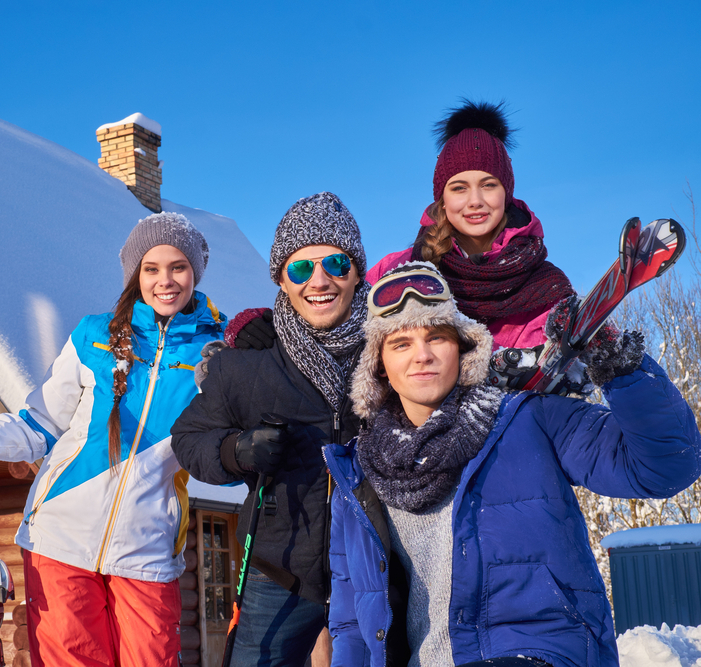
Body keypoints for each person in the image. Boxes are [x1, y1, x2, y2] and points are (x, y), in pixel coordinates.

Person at [324, 262, 701, 667]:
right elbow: (350, 625)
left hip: (540, 653)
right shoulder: (360, 475)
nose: (423, 355)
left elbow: (664, 465)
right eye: (401, 344)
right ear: (379, 365)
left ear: (464, 347)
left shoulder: (530, 419)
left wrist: (619, 366)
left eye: (437, 337)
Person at [0, 212, 224, 667]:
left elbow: (224, 443)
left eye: (178, 267)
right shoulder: (93, 336)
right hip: (60, 539)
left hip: (147, 551)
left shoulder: (213, 353)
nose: (165, 280)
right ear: (134, 275)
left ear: (194, 273)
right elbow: (37, 426)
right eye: (152, 268)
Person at [172, 192, 371, 666]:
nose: (319, 281)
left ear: (358, 271)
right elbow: (189, 437)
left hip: (374, 567)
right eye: (301, 269)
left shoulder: (391, 355)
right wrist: (236, 451)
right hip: (277, 571)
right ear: (281, 279)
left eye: (335, 264)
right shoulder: (246, 367)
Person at [366, 100, 575, 350]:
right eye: (459, 188)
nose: (475, 201)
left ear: (506, 193)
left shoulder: (546, 286)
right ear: (442, 200)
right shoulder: (393, 271)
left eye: (488, 185)